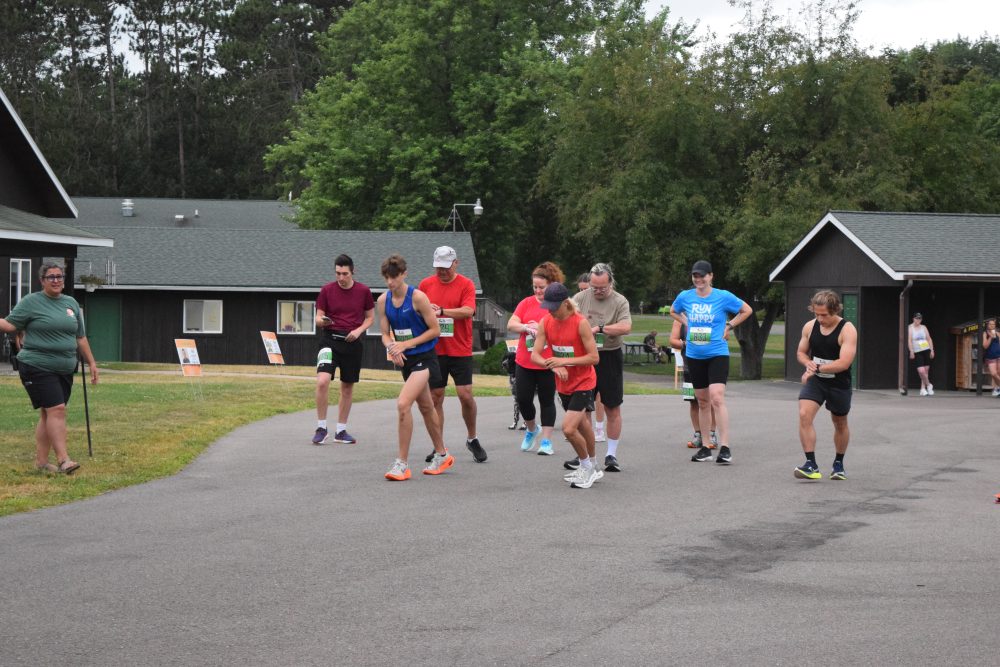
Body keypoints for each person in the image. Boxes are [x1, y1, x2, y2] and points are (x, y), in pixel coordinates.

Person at [0, 263, 99, 474]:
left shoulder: (70, 303)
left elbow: (80, 337)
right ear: (42, 280)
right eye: (51, 277)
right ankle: (64, 460)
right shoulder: (31, 302)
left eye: (59, 276)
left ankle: (42, 463)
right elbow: (10, 325)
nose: (56, 280)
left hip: (64, 367)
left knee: (48, 413)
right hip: (36, 364)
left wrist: (91, 362)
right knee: (57, 409)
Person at [376, 254, 453, 480]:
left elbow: (435, 330)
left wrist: (405, 345)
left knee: (403, 404)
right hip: (406, 360)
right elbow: (383, 334)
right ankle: (442, 454)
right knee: (427, 408)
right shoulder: (383, 301)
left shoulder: (418, 298)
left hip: (425, 358)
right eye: (387, 278)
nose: (391, 282)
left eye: (394, 277)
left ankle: (402, 464)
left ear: (404, 274)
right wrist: (392, 348)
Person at [670, 260, 753, 465]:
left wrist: (729, 326)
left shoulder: (722, 296)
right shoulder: (685, 296)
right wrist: (686, 322)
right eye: (695, 276)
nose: (698, 279)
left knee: (717, 398)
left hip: (717, 353)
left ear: (711, 276)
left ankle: (724, 447)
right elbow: (673, 310)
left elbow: (747, 310)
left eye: (702, 276)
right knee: (703, 401)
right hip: (694, 355)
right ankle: (706, 447)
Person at [530, 283, 602, 489]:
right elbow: (535, 355)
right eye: (547, 306)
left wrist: (564, 362)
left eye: (554, 306)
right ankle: (594, 466)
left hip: (584, 382)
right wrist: (551, 366)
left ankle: (586, 466)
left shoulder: (580, 323)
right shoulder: (546, 322)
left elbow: (594, 357)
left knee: (569, 429)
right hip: (563, 384)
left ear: (565, 303)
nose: (550, 310)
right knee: (582, 425)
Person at [419, 246, 487, 463]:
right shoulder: (426, 285)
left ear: (455, 263)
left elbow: (468, 310)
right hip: (434, 349)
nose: (442, 272)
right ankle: (438, 446)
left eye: (446, 267)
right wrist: (426, 311)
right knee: (435, 397)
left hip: (459, 348)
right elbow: (417, 309)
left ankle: (472, 438)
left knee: (465, 395)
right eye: (438, 267)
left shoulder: (466, 284)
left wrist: (442, 311)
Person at [564, 263, 632, 472]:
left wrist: (601, 328)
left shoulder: (620, 301)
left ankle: (611, 454)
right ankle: (584, 453)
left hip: (609, 356)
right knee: (584, 408)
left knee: (612, 406)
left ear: (610, 282)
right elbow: (565, 318)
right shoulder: (581, 298)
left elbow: (626, 327)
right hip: (585, 358)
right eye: (594, 287)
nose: (597, 291)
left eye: (602, 287)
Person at [793, 290, 858, 481]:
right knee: (804, 414)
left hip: (839, 382)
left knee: (840, 422)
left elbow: (844, 363)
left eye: (825, 315)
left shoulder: (847, 329)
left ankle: (838, 463)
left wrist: (818, 367)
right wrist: (808, 363)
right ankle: (811, 464)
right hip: (817, 381)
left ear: (835, 310)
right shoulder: (809, 327)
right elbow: (801, 353)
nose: (820, 319)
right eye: (816, 314)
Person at [312, 254, 375, 444]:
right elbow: (318, 316)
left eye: (345, 274)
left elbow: (370, 318)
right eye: (338, 273)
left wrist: (358, 330)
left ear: (352, 272)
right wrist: (321, 321)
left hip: (352, 343)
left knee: (347, 387)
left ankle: (341, 431)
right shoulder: (327, 290)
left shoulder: (364, 291)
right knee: (322, 381)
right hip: (329, 341)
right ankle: (321, 428)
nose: (341, 278)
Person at [507, 261, 565, 456]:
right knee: (523, 399)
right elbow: (511, 323)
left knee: (547, 400)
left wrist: (540, 326)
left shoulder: (558, 305)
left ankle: (547, 441)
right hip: (525, 360)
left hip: (548, 361)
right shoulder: (526, 303)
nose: (538, 291)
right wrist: (525, 327)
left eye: (542, 287)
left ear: (552, 285)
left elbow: (563, 327)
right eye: (535, 287)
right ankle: (532, 429)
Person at [669, 318, 717, 450]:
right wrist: (687, 343)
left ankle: (711, 434)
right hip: (689, 367)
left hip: (709, 364)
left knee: (710, 401)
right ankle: (698, 434)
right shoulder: (679, 319)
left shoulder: (709, 315)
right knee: (693, 401)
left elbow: (723, 336)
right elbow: (673, 341)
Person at [907, 312, 935, 396]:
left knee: (926, 371)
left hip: (926, 349)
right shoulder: (910, 328)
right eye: (916, 318)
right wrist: (911, 350)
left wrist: (932, 350)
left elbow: (929, 339)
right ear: (913, 319)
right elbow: (909, 340)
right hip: (917, 351)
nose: (918, 320)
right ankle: (929, 385)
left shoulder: (924, 327)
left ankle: (923, 389)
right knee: (921, 371)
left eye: (919, 319)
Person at [983, 319, 1000, 397]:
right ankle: (998, 388)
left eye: (993, 324)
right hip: (990, 357)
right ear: (987, 325)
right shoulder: (985, 333)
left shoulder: (998, 333)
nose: (992, 326)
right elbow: (985, 346)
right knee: (993, 374)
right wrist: (990, 337)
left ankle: (998, 388)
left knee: (999, 373)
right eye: (990, 324)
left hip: (999, 356)